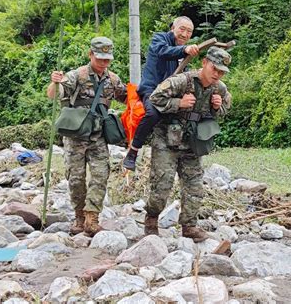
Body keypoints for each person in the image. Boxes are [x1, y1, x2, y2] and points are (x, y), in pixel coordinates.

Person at [145, 46, 232, 242]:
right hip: (166, 140)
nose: (217, 74)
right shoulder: (182, 81)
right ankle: (151, 220)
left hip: (192, 143)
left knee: (195, 186)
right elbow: (154, 98)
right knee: (162, 184)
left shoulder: (220, 88)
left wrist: (218, 107)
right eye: (214, 69)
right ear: (204, 63)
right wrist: (178, 103)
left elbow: (226, 108)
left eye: (221, 72)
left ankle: (189, 226)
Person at [47, 37, 126, 236]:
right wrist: (54, 83)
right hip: (75, 135)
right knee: (76, 178)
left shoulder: (113, 80)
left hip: (98, 135)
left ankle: (92, 218)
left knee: (100, 175)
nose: (103, 63)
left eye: (107, 59)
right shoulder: (77, 75)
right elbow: (54, 94)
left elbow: (128, 98)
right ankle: (79, 217)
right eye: (100, 58)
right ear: (90, 54)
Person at [122, 16, 199, 171]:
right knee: (153, 113)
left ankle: (189, 153)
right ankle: (133, 151)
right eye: (182, 29)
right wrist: (184, 50)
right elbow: (163, 51)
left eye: (189, 31)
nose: (184, 34)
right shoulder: (160, 39)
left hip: (171, 93)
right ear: (173, 28)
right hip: (152, 90)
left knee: (193, 110)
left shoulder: (185, 52)